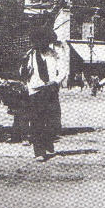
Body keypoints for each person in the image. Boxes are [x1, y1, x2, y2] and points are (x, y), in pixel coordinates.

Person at [23, 26, 67, 162]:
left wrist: (56, 82)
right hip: (36, 90)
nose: (40, 44)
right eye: (37, 41)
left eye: (43, 41)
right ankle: (39, 152)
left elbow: (63, 70)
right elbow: (24, 73)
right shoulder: (30, 55)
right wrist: (24, 67)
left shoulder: (54, 54)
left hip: (51, 89)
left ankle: (48, 141)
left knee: (52, 121)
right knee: (37, 122)